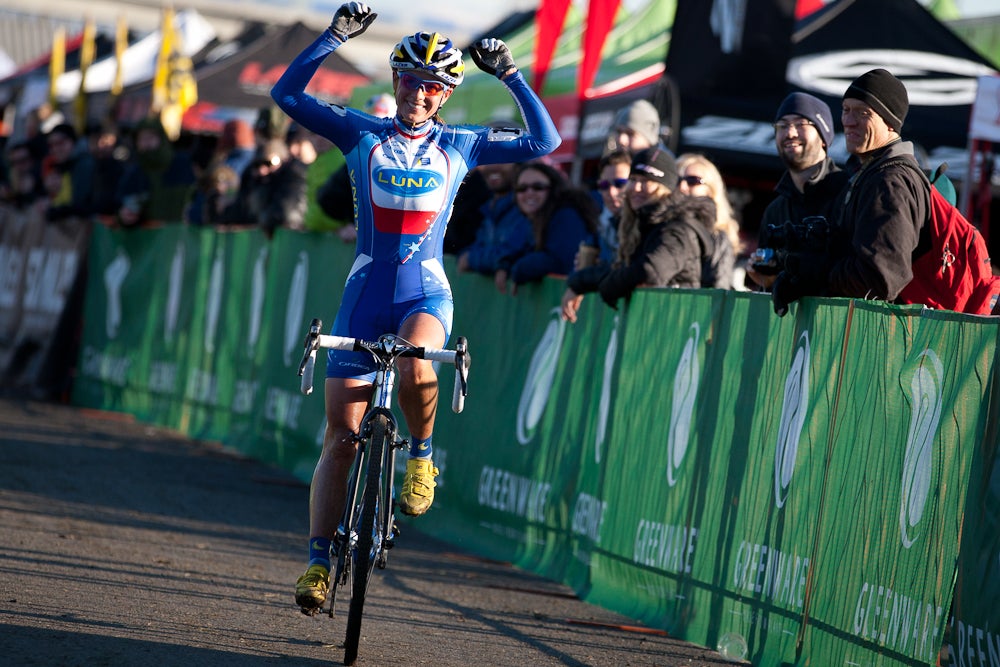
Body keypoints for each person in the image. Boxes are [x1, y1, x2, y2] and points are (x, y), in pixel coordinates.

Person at [271, 1, 560, 613]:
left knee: (416, 363)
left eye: (434, 86)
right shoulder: (361, 133)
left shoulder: (463, 143)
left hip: (425, 291)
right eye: (411, 81)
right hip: (364, 294)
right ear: (396, 82)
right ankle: (320, 558)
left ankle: (422, 459)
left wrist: (510, 75)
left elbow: (545, 139)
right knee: (340, 437)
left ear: (447, 94)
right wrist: (332, 36)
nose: (421, 94)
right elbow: (288, 95)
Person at [771, 69, 928, 316]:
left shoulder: (889, 182)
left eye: (863, 113)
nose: (849, 121)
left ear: (889, 121)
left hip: (883, 342)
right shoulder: (866, 174)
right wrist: (802, 275)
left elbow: (880, 278)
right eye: (846, 110)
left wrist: (817, 273)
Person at [560, 147, 717, 322]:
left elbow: (650, 271)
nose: (636, 187)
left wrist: (609, 288)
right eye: (633, 179)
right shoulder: (643, 223)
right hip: (648, 327)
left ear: (665, 187)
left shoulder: (678, 228)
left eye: (646, 181)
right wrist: (579, 282)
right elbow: (621, 268)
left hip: (673, 328)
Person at [748, 92, 848, 292]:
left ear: (823, 137)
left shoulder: (847, 194)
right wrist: (766, 280)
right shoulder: (775, 210)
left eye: (801, 124)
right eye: (782, 126)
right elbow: (770, 289)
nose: (790, 133)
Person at [501, 161, 599, 293]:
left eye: (538, 187)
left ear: (553, 189)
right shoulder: (530, 219)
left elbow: (560, 262)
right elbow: (513, 249)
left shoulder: (566, 215)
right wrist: (504, 265)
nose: (529, 193)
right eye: (522, 188)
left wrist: (519, 269)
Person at [456, 161, 533, 289]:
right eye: (489, 160)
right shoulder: (486, 206)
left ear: (519, 165)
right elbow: (475, 246)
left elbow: (515, 252)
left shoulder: (527, 207)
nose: (493, 167)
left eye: (504, 160)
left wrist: (471, 259)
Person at [115, 117, 197, 228]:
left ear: (161, 139)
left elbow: (195, 199)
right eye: (141, 139)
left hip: (178, 237)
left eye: (151, 137)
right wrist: (123, 216)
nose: (146, 143)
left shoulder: (180, 164)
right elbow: (119, 205)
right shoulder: (134, 172)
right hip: (147, 239)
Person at [676, 153, 742, 289]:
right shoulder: (658, 225)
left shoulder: (719, 238)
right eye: (677, 180)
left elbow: (718, 291)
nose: (682, 186)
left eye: (693, 181)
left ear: (711, 191)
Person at [223, 138, 309, 237]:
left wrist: (262, 222)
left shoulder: (294, 176)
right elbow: (239, 214)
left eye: (269, 163)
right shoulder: (254, 183)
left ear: (284, 160)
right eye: (257, 165)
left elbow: (284, 215)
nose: (262, 170)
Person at [41, 123, 96, 221]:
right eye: (51, 145)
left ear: (73, 141)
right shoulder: (61, 166)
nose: (55, 149)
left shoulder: (84, 164)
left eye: (60, 143)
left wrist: (59, 211)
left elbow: (81, 203)